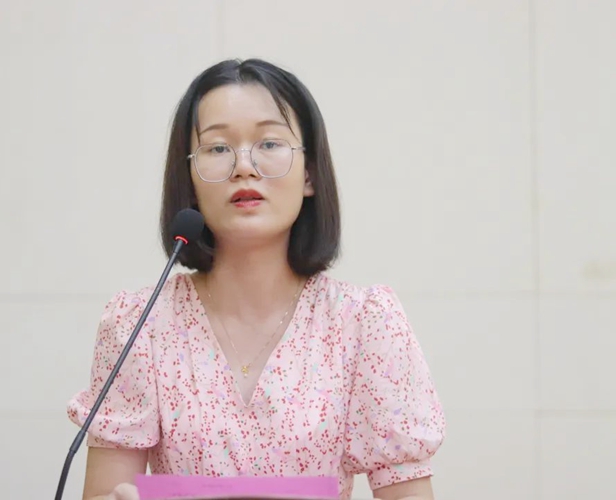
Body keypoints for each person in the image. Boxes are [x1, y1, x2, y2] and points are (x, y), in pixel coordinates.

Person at [67, 58, 446, 500]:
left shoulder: (365, 323)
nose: (243, 167)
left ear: (309, 174)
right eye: (217, 148)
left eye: (269, 142)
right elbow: (105, 492)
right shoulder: (139, 324)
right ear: (190, 180)